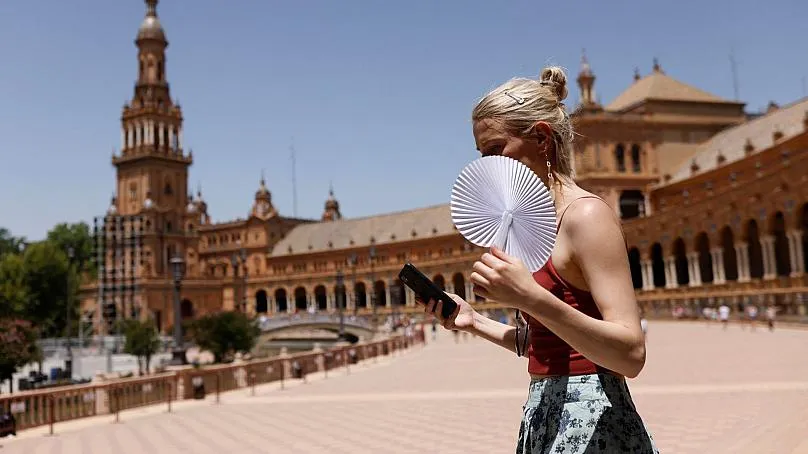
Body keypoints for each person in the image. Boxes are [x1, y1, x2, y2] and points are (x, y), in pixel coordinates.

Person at [422, 67, 658, 453]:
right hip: (543, 410)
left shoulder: (585, 216)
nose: (488, 166)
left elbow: (631, 354)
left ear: (542, 139)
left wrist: (529, 297)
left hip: (593, 417)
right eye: (482, 155)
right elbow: (549, 342)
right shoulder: (529, 225)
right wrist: (473, 321)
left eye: (496, 150)